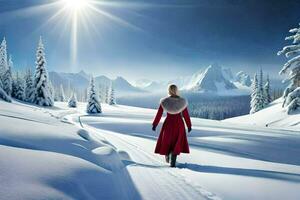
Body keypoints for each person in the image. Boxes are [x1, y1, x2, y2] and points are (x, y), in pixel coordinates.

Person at [152, 84, 192, 167]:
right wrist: (189, 125)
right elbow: (186, 115)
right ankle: (173, 158)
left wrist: (155, 124)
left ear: (169, 91)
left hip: (168, 124)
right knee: (176, 141)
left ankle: (167, 155)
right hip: (179, 124)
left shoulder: (164, 101)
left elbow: (159, 114)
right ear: (177, 90)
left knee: (167, 141)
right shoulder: (182, 102)